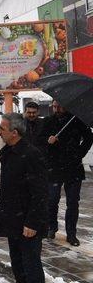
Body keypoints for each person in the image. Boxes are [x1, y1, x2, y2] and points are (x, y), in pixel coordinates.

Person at [0, 113, 48, 283]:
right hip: (13, 218)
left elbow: (40, 192)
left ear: (14, 133)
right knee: (17, 261)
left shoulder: (31, 154)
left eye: (2, 128)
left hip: (28, 221)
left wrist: (32, 223)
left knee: (31, 264)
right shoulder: (9, 151)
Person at [39, 100, 93, 246]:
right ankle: (52, 227)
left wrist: (79, 154)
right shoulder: (48, 121)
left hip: (73, 167)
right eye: (55, 106)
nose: (57, 109)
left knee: (73, 202)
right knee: (52, 200)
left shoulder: (76, 120)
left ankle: (71, 234)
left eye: (60, 106)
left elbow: (89, 138)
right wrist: (47, 141)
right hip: (54, 167)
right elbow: (39, 140)